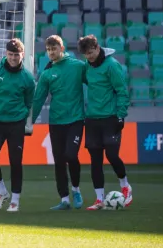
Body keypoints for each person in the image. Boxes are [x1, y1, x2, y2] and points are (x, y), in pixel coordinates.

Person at [0, 38, 35, 212]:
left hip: (16, 124)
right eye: (10, 54)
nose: (13, 58)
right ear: (6, 53)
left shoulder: (27, 78)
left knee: (15, 161)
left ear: (22, 55)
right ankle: (2, 191)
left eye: (16, 55)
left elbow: (29, 102)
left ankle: (15, 200)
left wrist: (22, 117)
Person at [31, 35, 87, 211]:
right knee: (59, 161)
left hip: (76, 119)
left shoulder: (78, 66)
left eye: (54, 49)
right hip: (56, 122)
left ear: (61, 49)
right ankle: (64, 200)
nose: (51, 53)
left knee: (71, 155)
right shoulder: (47, 74)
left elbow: (95, 82)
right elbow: (38, 99)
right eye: (48, 50)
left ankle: (76, 190)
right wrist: (29, 123)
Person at [78, 35, 133, 210]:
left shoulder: (112, 65)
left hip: (110, 118)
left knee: (111, 155)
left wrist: (120, 115)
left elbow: (122, 91)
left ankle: (125, 185)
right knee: (95, 160)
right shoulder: (87, 66)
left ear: (97, 47)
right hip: (92, 118)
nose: (89, 56)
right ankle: (99, 199)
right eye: (86, 54)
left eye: (91, 52)